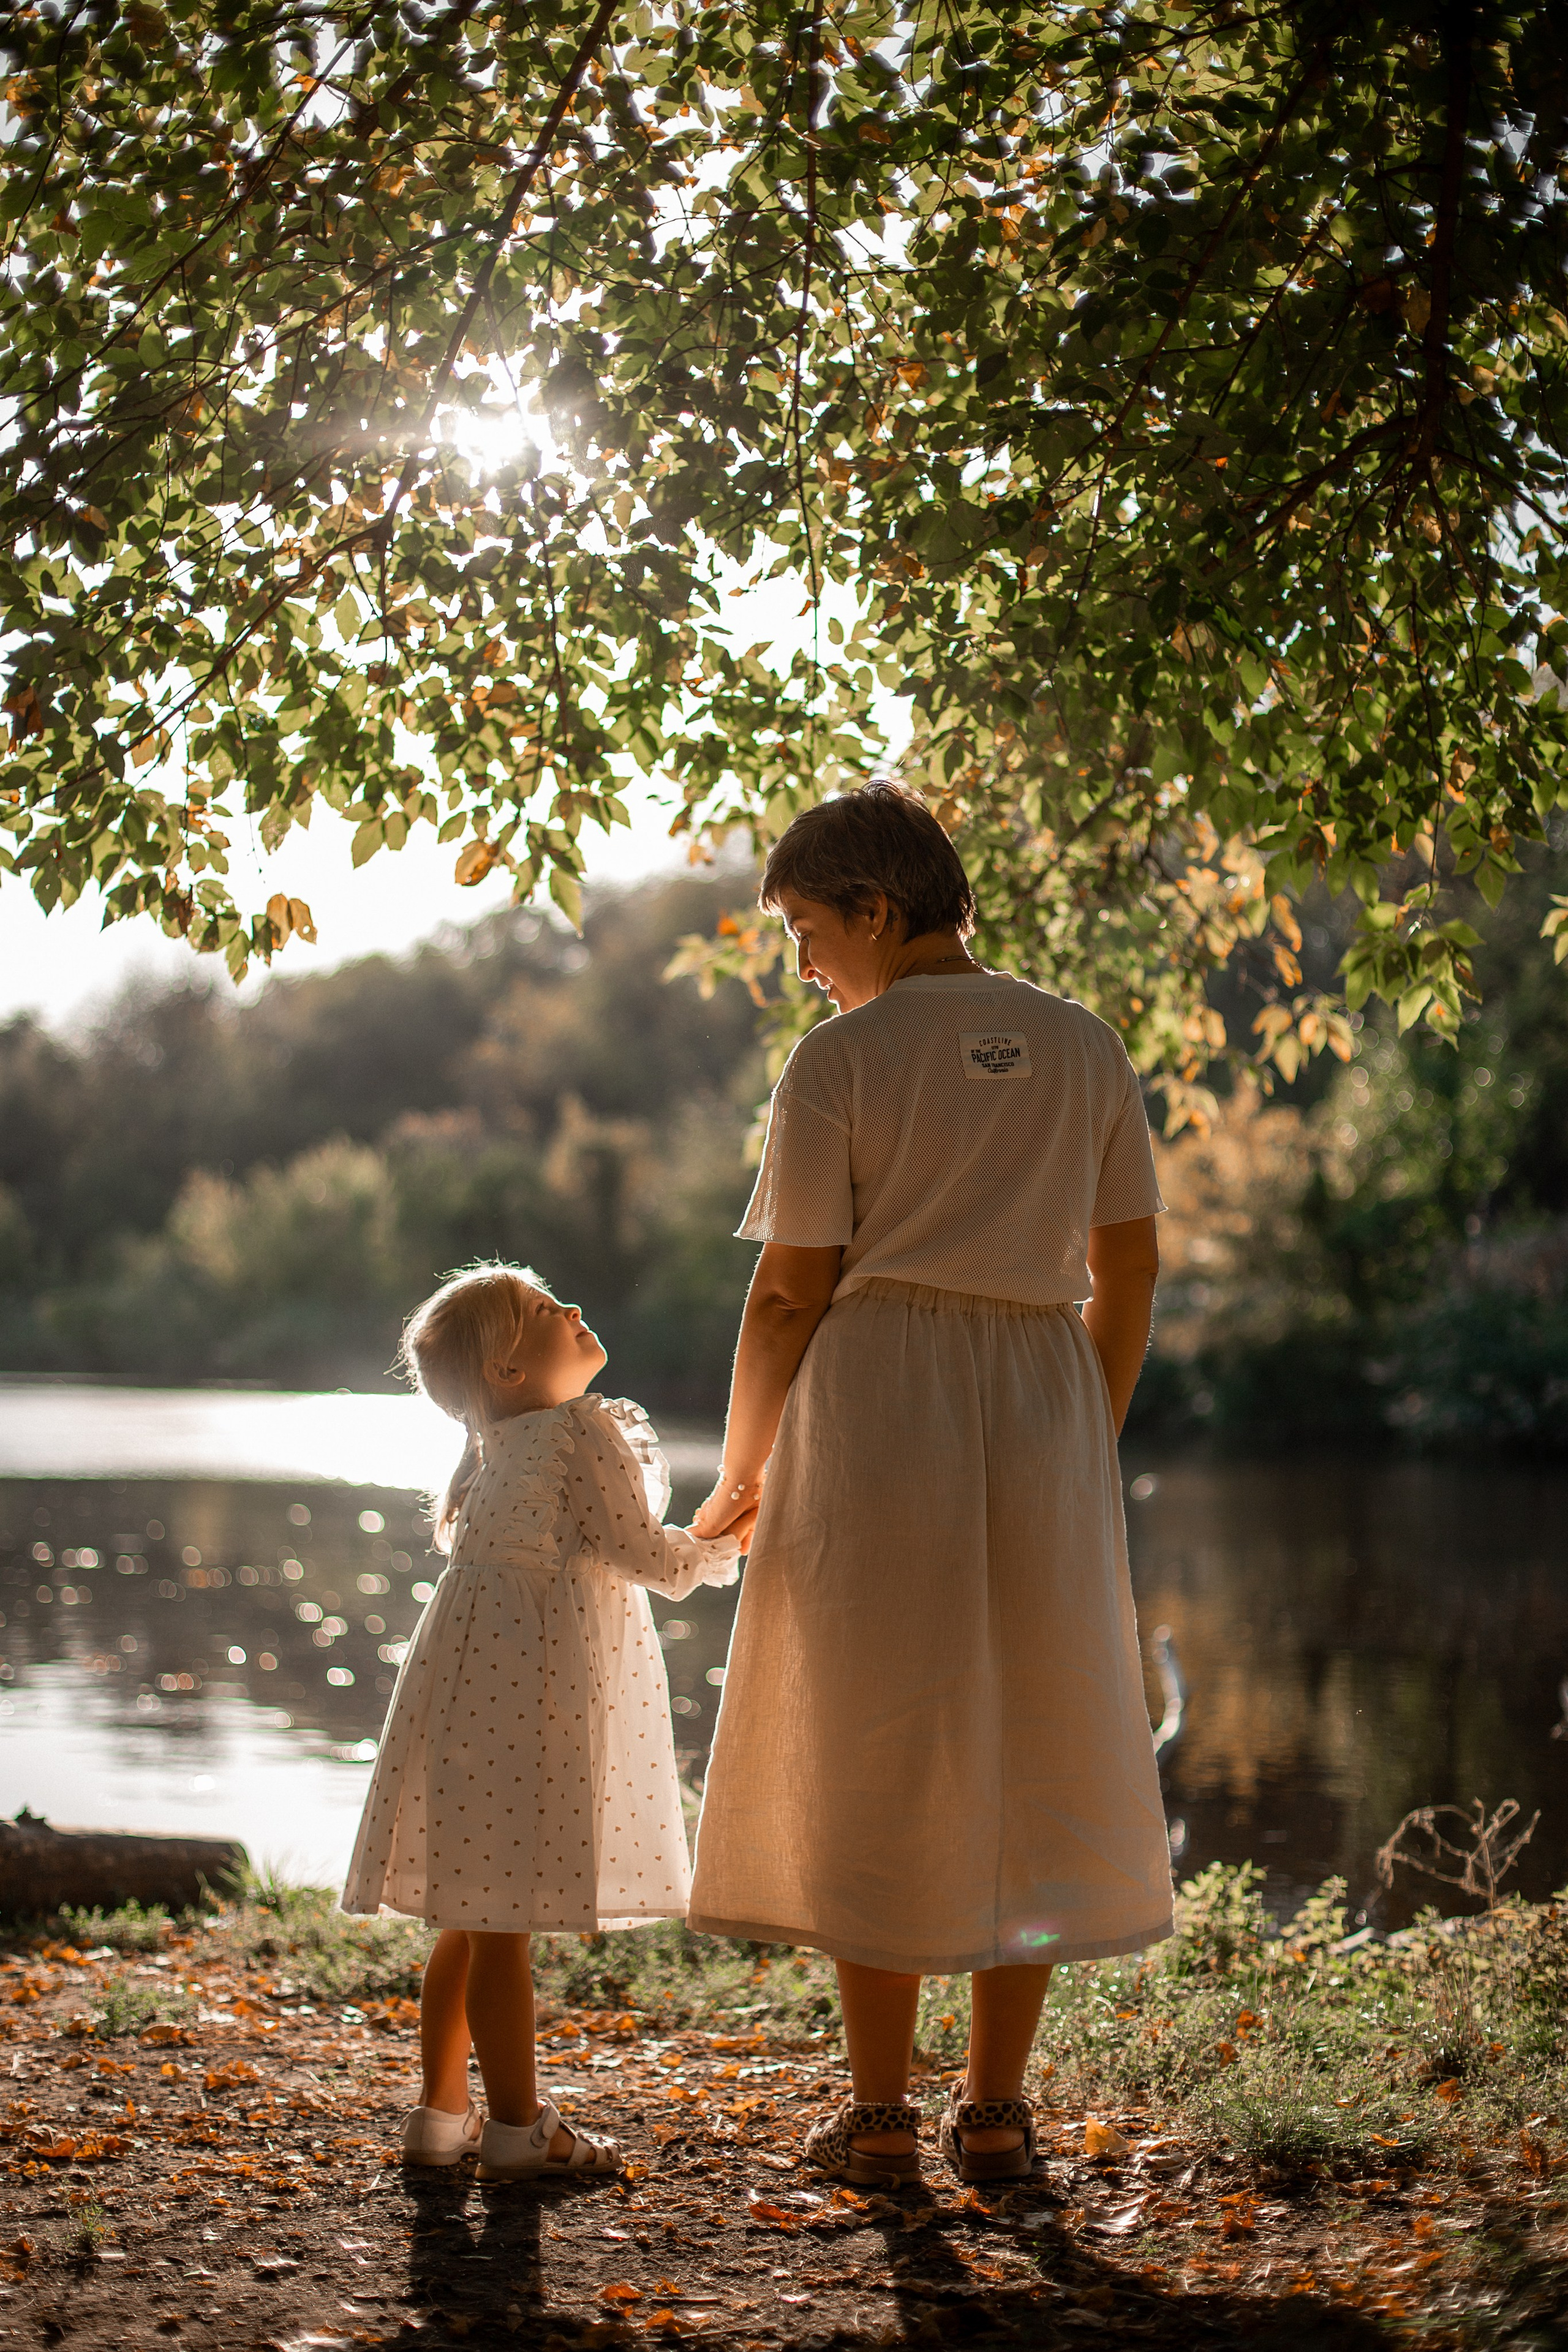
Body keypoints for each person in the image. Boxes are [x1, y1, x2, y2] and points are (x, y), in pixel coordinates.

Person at [688, 783, 1172, 2188]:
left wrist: (743, 1469)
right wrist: (1088, 1418)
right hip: (1039, 1389)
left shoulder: (836, 1063)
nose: (799, 961)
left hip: (878, 1398)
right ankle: (998, 2114)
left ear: (875, 912)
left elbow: (785, 1297)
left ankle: (882, 2118)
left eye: (801, 928)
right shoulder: (1085, 1045)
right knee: (1032, 1725)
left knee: (872, 1731)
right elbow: (1128, 1267)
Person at [343, 1263, 739, 2181]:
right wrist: (724, 1547)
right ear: (509, 1373)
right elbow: (642, 1554)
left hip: (467, 1682)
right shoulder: (578, 1430)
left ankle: (442, 2118)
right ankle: (521, 2130)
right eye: (538, 1311)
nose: (568, 1307)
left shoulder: (493, 1450)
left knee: (468, 1914)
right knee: (502, 1921)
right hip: (533, 1690)